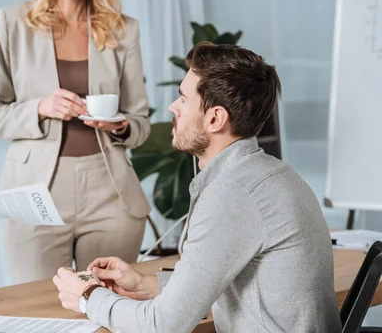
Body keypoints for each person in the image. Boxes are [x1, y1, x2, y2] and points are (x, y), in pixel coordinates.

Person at [53, 42, 342, 332]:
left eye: (183, 99)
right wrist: (146, 286)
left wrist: (88, 297)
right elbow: (233, 278)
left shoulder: (232, 194)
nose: (173, 107)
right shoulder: (271, 174)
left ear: (215, 119)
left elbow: (162, 325)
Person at [0, 0, 151, 284]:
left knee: (109, 306)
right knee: (38, 308)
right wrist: (40, 107)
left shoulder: (122, 29)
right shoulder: (13, 22)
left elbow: (141, 121)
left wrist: (120, 126)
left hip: (110, 191)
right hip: (37, 193)